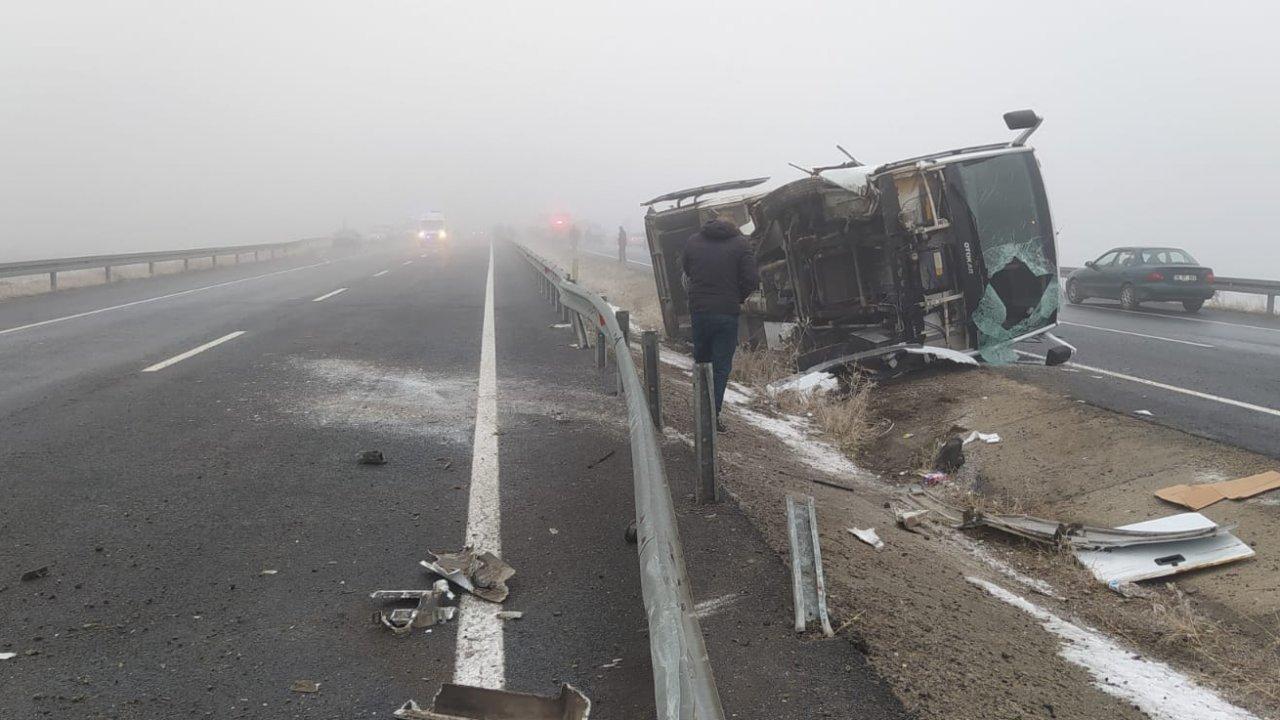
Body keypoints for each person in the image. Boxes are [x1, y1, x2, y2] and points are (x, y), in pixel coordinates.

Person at [681, 214, 758, 432]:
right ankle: (711, 416)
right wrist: (738, 297)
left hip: (700, 312)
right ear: (733, 226)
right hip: (726, 313)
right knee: (721, 367)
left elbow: (687, 270)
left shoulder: (693, 241)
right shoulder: (741, 244)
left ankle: (700, 412)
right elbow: (752, 279)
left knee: (701, 362)